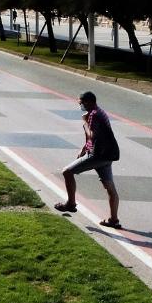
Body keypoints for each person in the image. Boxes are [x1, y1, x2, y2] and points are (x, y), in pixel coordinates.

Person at [56, 91, 122, 229]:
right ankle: (114, 220)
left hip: (97, 155)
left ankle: (71, 204)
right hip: (107, 155)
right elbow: (96, 137)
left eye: (81, 103)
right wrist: (84, 148)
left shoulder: (93, 115)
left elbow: (92, 135)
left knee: (67, 172)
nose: (80, 105)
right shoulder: (99, 112)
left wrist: (85, 122)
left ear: (88, 102)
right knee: (110, 188)